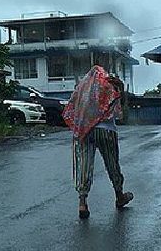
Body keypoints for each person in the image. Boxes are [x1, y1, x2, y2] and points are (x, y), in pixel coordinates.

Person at [63, 66, 134, 219]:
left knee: (83, 165)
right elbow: (119, 109)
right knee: (112, 163)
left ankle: (82, 202)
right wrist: (119, 87)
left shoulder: (82, 88)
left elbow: (72, 108)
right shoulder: (109, 85)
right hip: (106, 129)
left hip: (84, 130)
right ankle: (119, 195)